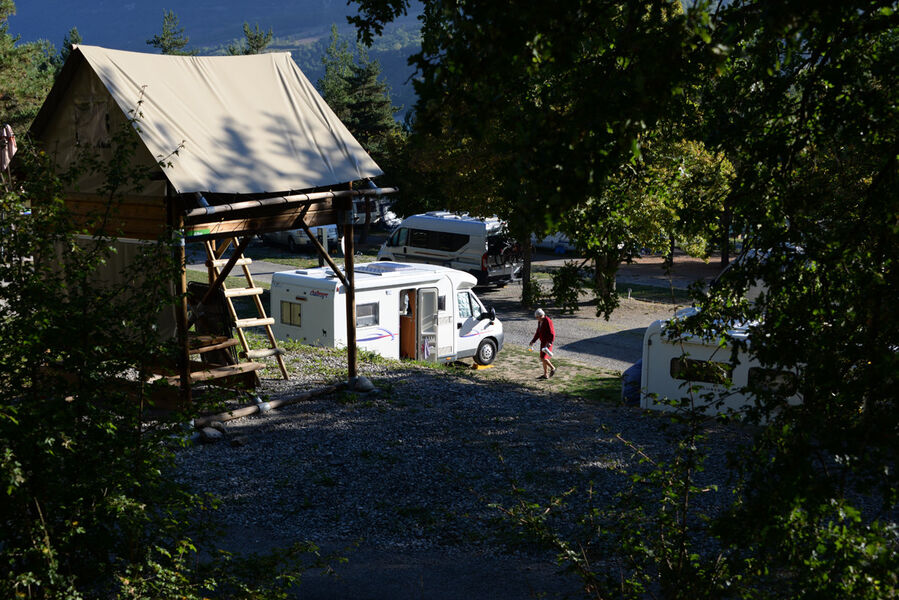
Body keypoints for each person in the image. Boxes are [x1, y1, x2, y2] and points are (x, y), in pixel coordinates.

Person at [529, 308, 556, 379]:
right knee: (542, 358)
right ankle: (545, 375)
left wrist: (550, 342)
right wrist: (533, 341)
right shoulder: (540, 321)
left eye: (537, 317)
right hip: (543, 342)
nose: (536, 319)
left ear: (541, 316)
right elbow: (538, 333)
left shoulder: (548, 321)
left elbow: (552, 333)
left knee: (543, 358)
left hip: (547, 343)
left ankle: (553, 368)